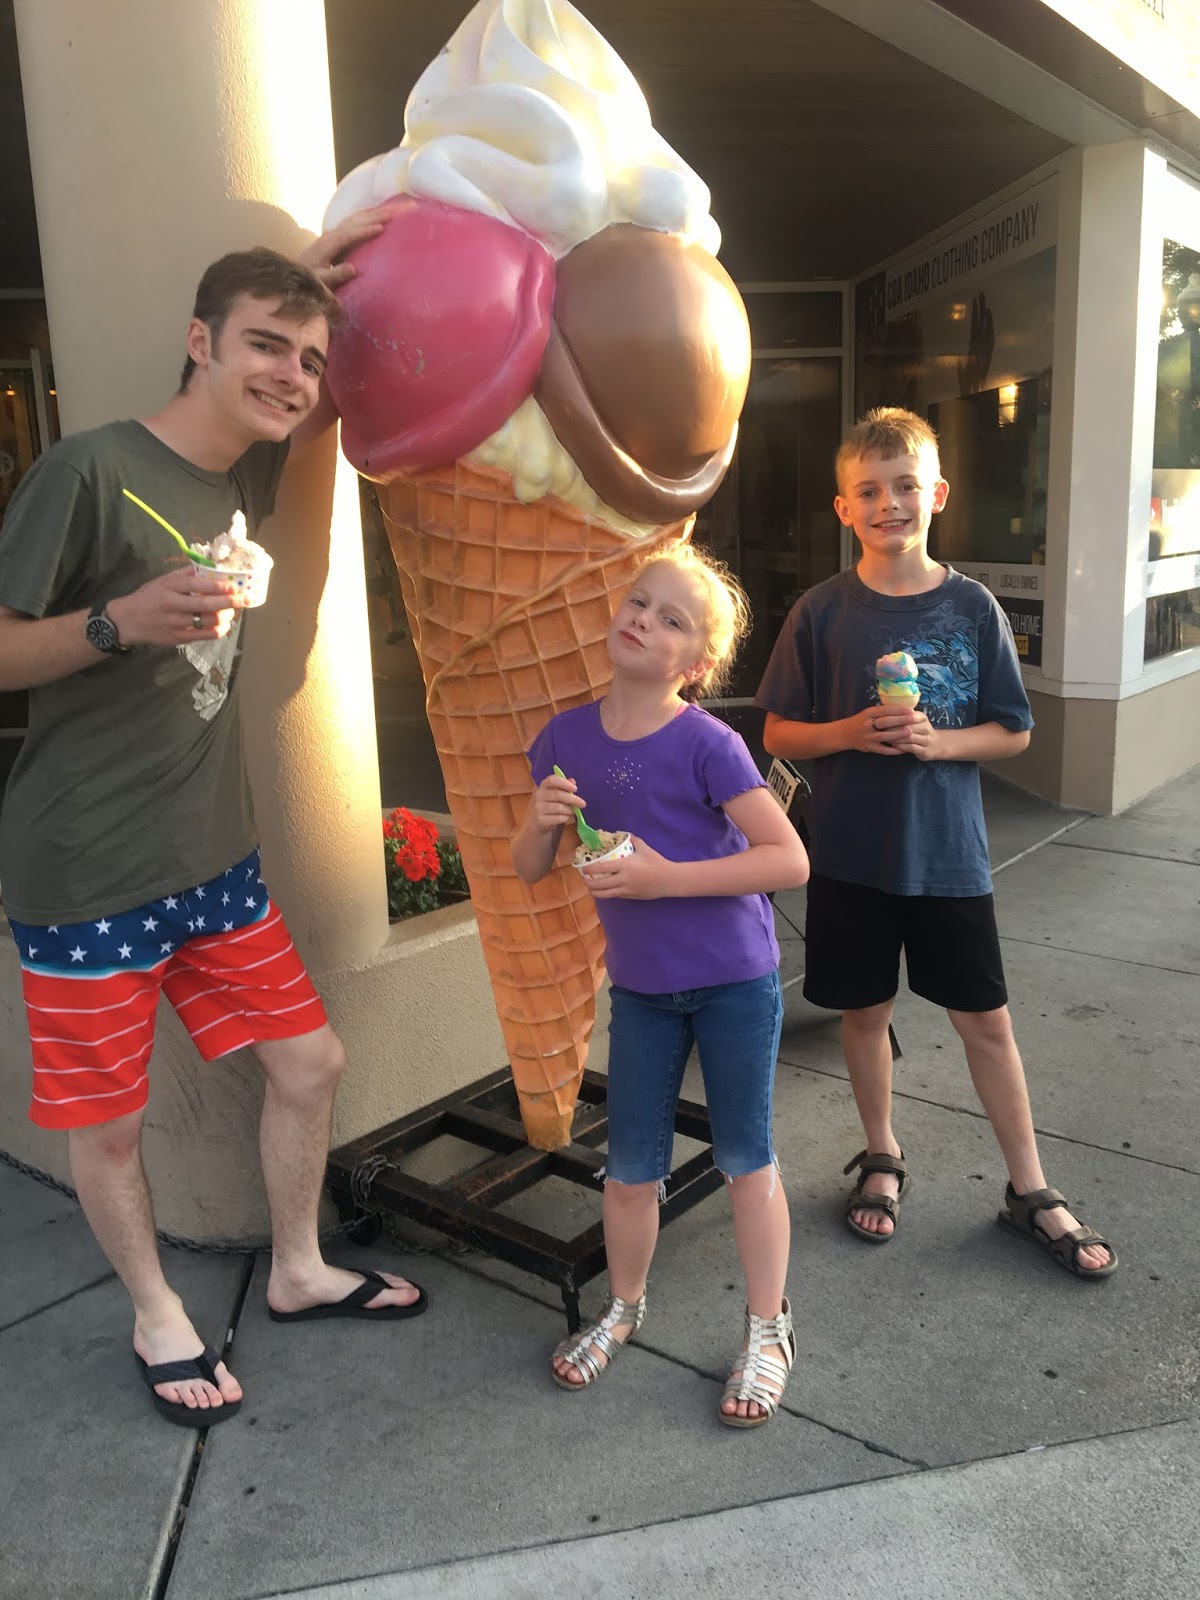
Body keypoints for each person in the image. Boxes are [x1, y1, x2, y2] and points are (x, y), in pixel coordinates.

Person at [0, 207, 432, 1431]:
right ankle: (156, 1315)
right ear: (199, 341)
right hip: (85, 871)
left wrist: (321, 276)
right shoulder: (88, 470)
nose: (291, 375)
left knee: (310, 1061)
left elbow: (316, 385)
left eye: (307, 357)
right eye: (263, 345)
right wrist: (117, 624)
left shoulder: (244, 464)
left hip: (212, 861)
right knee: (111, 1128)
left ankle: (297, 1270)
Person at [756, 406, 1118, 1280]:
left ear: (938, 495)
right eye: (869, 491)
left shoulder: (972, 605)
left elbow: (1013, 730)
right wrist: (849, 731)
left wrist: (938, 743)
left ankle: (1029, 1186)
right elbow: (778, 731)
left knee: (985, 1022)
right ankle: (881, 1153)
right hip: (851, 857)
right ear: (844, 508)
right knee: (866, 1014)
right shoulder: (821, 611)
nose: (889, 503)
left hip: (950, 856)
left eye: (906, 486)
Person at [512, 543, 810, 1426]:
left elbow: (788, 859)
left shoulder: (709, 744)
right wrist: (538, 821)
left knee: (744, 1161)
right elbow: (530, 866)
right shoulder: (563, 738)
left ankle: (769, 1329)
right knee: (629, 1168)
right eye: (639, 602)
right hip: (641, 987)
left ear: (698, 661)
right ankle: (624, 1307)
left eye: (671, 618)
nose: (643, 620)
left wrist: (664, 878)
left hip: (733, 981)